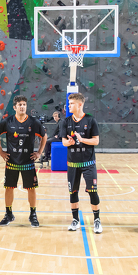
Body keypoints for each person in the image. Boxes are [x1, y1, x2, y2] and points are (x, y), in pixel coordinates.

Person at [0, 96, 46, 227]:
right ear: (15, 107)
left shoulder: (33, 122)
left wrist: (39, 152)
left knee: (31, 188)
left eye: (24, 104)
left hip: (28, 161)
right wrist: (1, 152)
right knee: (9, 188)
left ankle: (33, 214)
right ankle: (8, 214)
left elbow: (44, 136)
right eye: (20, 105)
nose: (22, 107)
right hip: (12, 161)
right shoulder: (7, 121)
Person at [60, 93, 102, 233]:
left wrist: (82, 140)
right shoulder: (66, 121)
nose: (68, 106)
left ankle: (97, 220)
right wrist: (69, 142)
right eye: (69, 103)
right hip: (72, 164)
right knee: (73, 192)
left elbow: (96, 141)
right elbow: (64, 142)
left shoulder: (90, 120)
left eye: (71, 103)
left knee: (93, 191)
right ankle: (75, 220)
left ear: (79, 104)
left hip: (88, 163)